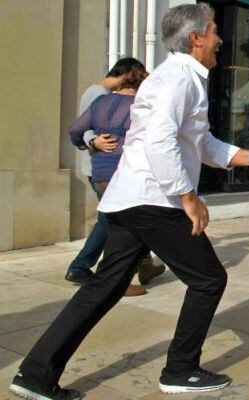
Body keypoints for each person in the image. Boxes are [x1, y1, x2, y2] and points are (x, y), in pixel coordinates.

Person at [9, 5, 249, 399]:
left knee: (103, 286)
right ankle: (180, 369)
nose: (222, 40)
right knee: (208, 280)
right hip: (154, 198)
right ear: (197, 37)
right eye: (216, 31)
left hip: (130, 198)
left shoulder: (179, 77)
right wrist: (189, 197)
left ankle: (35, 374)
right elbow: (160, 142)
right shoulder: (178, 79)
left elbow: (199, 142)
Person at [67, 59, 163, 297]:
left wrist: (85, 141)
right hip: (117, 171)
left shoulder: (101, 98)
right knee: (120, 225)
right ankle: (106, 277)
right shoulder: (111, 98)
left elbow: (76, 130)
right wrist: (93, 142)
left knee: (120, 222)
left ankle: (143, 266)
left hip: (101, 170)